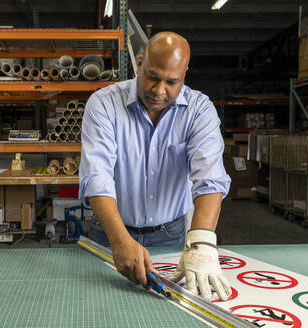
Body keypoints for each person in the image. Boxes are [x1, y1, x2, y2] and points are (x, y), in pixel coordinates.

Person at [78, 32, 231, 301]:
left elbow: (210, 178)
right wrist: (119, 240)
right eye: (152, 76)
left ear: (184, 74)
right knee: (98, 306)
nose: (159, 91)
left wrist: (202, 242)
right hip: (110, 233)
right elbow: (96, 176)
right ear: (139, 63)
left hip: (169, 235)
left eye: (172, 82)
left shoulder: (199, 110)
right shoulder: (103, 104)